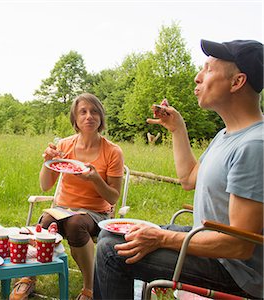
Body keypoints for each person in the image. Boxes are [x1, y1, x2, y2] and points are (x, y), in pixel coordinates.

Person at [94, 39, 263, 299]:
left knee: (111, 252)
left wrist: (162, 238)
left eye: (208, 69)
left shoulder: (255, 146)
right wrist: (177, 129)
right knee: (111, 232)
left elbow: (239, 246)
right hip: (210, 244)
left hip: (235, 271)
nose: (197, 77)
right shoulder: (226, 135)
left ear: (237, 82)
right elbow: (188, 179)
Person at [10, 93, 124, 300]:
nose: (89, 116)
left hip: (96, 212)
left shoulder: (112, 151)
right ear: (75, 119)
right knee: (46, 221)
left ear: (101, 118)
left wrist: (95, 179)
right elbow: (45, 186)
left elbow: (114, 197)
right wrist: (46, 162)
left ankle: (89, 287)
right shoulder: (64, 146)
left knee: (75, 224)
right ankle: (29, 277)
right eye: (83, 112)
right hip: (62, 208)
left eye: (94, 111)